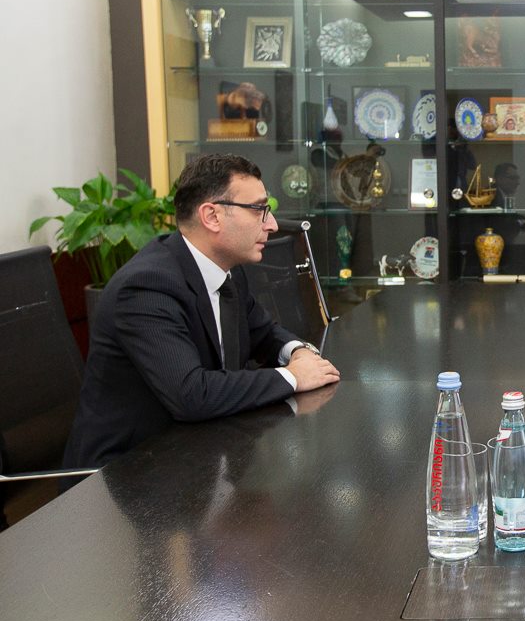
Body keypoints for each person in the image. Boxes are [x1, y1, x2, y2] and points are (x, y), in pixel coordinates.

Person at [63, 154, 341, 470]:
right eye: (258, 209)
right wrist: (293, 376)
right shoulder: (146, 287)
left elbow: (264, 333)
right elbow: (191, 395)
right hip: (126, 474)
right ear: (211, 216)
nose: (272, 224)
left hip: (200, 451)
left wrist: (298, 352)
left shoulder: (228, 270)